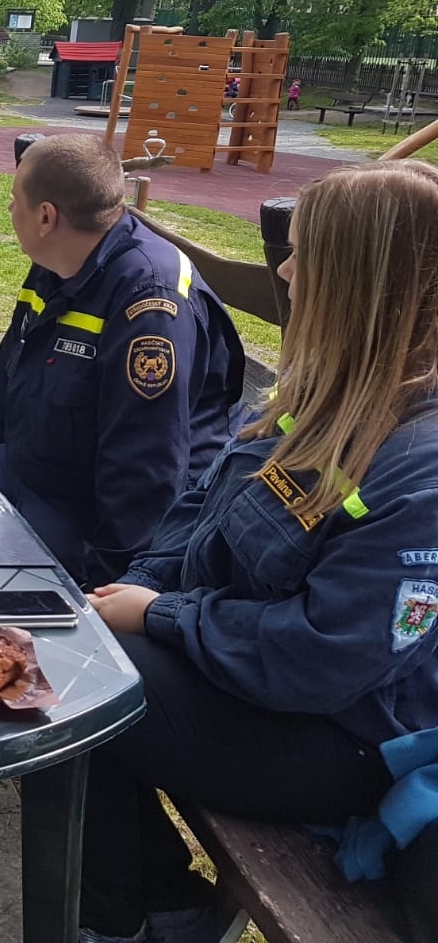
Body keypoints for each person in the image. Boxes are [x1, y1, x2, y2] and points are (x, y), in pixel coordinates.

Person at [76, 160, 438, 943]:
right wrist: (132, 590)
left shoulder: (423, 465)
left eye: (305, 254)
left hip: (342, 738)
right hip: (254, 676)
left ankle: (122, 918)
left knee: (77, 686)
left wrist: (162, 615)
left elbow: (327, 658)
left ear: (362, 283)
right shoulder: (327, 395)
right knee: (73, 646)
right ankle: (156, 905)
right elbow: (199, 513)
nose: (286, 271)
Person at [0, 134, 246, 587]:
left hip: (88, 514)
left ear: (46, 217)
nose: (11, 208)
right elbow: (3, 386)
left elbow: (145, 469)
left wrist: (102, 587)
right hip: (38, 468)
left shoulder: (149, 302)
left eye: (15, 199)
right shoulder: (57, 261)